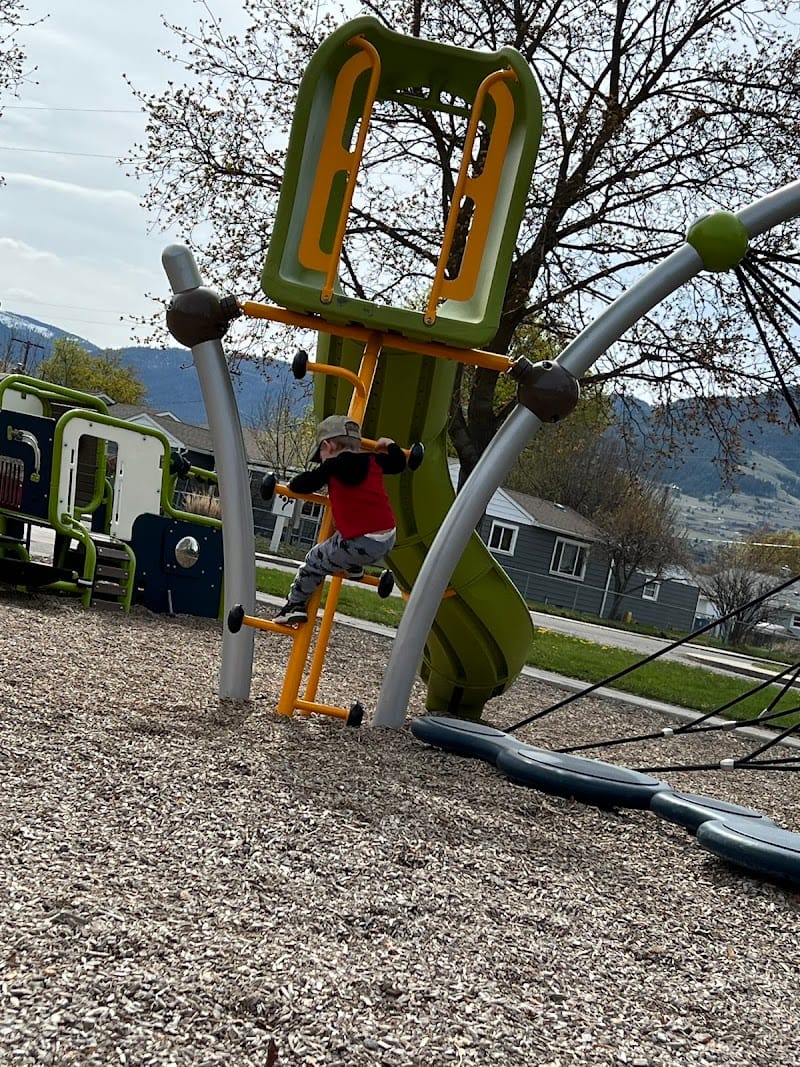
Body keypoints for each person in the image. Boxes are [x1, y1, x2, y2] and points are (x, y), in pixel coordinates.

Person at [273, 414, 407, 625]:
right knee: (342, 529)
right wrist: (388, 444)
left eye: (321, 454)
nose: (322, 459)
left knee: (313, 561)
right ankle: (353, 568)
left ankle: (294, 605)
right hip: (387, 538)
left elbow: (305, 484)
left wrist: (291, 483)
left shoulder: (334, 465)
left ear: (328, 446)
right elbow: (399, 463)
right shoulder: (373, 460)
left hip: (360, 542)